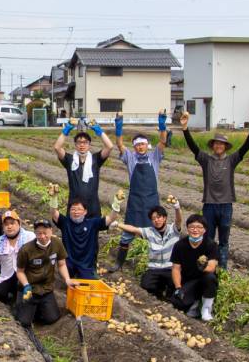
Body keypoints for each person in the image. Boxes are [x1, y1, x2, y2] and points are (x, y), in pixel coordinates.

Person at [180, 110, 249, 270]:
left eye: (221, 144)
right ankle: (207, 267)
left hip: (226, 206)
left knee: (224, 240)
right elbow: (193, 147)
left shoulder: (231, 160)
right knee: (207, 239)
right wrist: (185, 128)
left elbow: (245, 147)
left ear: (225, 147)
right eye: (216, 143)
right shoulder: (206, 160)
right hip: (209, 205)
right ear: (213, 146)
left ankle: (222, 269)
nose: (218, 146)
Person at [109, 110, 168, 272]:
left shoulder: (154, 156)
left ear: (146, 145)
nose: (140, 147)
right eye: (137, 145)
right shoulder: (131, 158)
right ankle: (119, 263)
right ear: (134, 147)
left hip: (151, 201)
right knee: (127, 233)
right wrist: (119, 124)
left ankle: (157, 263)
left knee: (155, 232)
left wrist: (162, 122)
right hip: (135, 200)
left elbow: (163, 142)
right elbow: (120, 145)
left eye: (142, 144)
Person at [112, 198, 183, 299]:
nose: (156, 220)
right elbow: (133, 229)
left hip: (170, 268)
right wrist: (117, 224)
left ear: (165, 218)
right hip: (154, 268)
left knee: (174, 283)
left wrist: (177, 207)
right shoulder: (149, 231)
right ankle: (159, 292)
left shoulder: (173, 230)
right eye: (153, 219)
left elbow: (179, 220)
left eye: (159, 217)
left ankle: (169, 294)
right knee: (146, 285)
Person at [15, 218, 78, 327]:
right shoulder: (26, 250)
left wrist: (67, 279)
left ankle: (39, 308)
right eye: (39, 233)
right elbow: (20, 271)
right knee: (24, 322)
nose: (43, 236)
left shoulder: (57, 243)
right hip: (29, 289)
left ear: (51, 231)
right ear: (35, 234)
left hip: (46, 288)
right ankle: (21, 303)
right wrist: (26, 285)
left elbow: (62, 264)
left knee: (52, 318)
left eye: (45, 233)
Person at [49, 191, 120, 280]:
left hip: (85, 264)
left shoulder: (92, 224)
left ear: (85, 211)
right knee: (65, 275)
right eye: (73, 209)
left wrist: (117, 203)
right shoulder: (65, 222)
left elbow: (111, 218)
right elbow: (54, 213)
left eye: (79, 209)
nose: (76, 212)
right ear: (69, 211)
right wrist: (53, 198)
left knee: (87, 282)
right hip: (69, 262)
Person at [53, 117, 114, 219]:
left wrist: (99, 130)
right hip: (75, 207)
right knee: (73, 232)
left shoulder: (95, 160)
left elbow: (109, 146)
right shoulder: (70, 160)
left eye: (85, 142)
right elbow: (57, 147)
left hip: (93, 206)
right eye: (79, 142)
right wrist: (66, 129)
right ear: (75, 145)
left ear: (89, 145)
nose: (82, 145)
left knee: (93, 232)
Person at [170, 214, 220, 321]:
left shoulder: (211, 245)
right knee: (176, 302)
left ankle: (206, 309)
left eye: (199, 227)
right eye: (192, 227)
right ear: (187, 229)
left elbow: (211, 267)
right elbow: (176, 268)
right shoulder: (180, 245)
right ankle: (195, 303)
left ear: (204, 230)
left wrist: (202, 267)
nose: (195, 230)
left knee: (210, 277)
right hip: (188, 280)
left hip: (204, 280)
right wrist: (178, 288)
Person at [0, 209, 35, 305]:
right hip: (7, 276)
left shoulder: (29, 237)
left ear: (19, 223)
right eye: (6, 224)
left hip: (26, 276)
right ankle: (9, 301)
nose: (9, 226)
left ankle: (19, 300)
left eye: (12, 223)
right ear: (2, 227)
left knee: (25, 299)